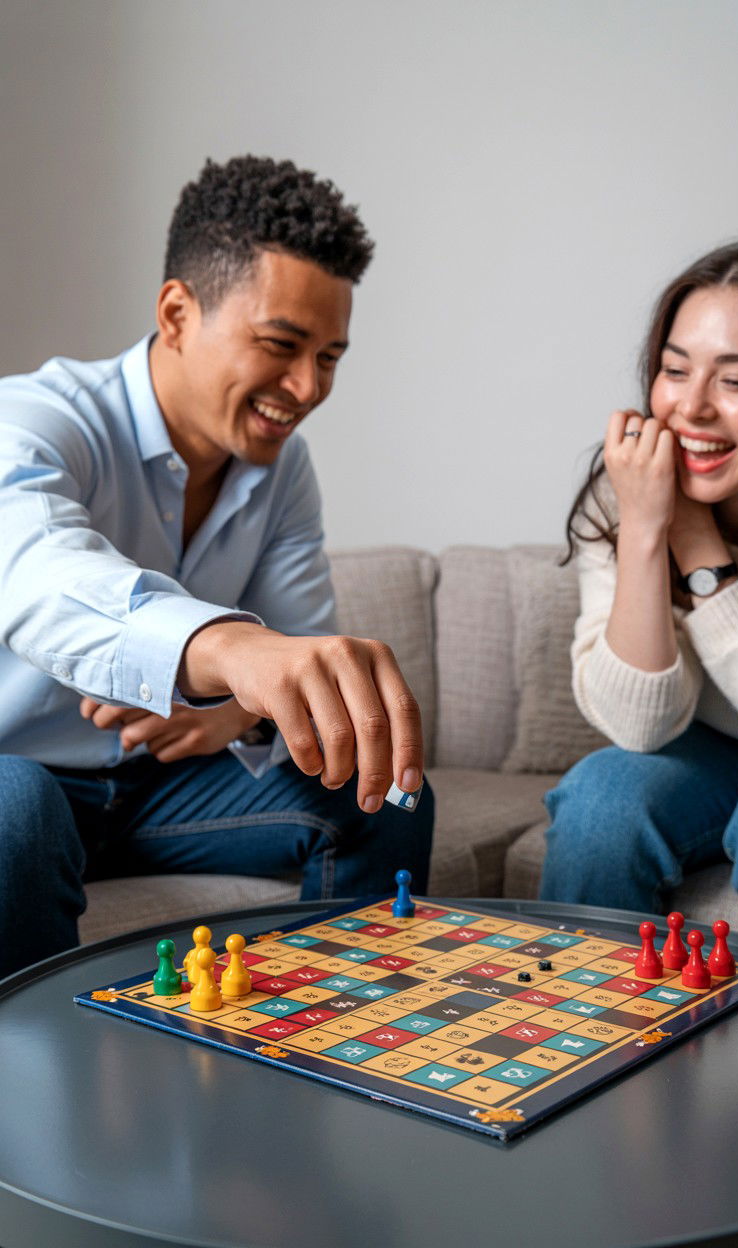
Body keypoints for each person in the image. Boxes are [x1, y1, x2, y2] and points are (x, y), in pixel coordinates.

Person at [0, 155, 434, 979]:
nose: (306, 387)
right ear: (175, 314)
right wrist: (227, 649)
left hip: (152, 789)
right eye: (281, 345)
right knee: (14, 810)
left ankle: (345, 1041)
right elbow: (36, 578)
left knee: (388, 791)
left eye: (331, 357)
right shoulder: (32, 421)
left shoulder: (283, 470)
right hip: (17, 780)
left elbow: (298, 656)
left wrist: (240, 711)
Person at [539, 232, 738, 964]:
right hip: (711, 756)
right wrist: (644, 527)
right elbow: (638, 726)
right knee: (604, 794)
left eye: (736, 381)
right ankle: (580, 1051)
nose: (691, 407)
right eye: (674, 371)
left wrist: (699, 551)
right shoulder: (626, 489)